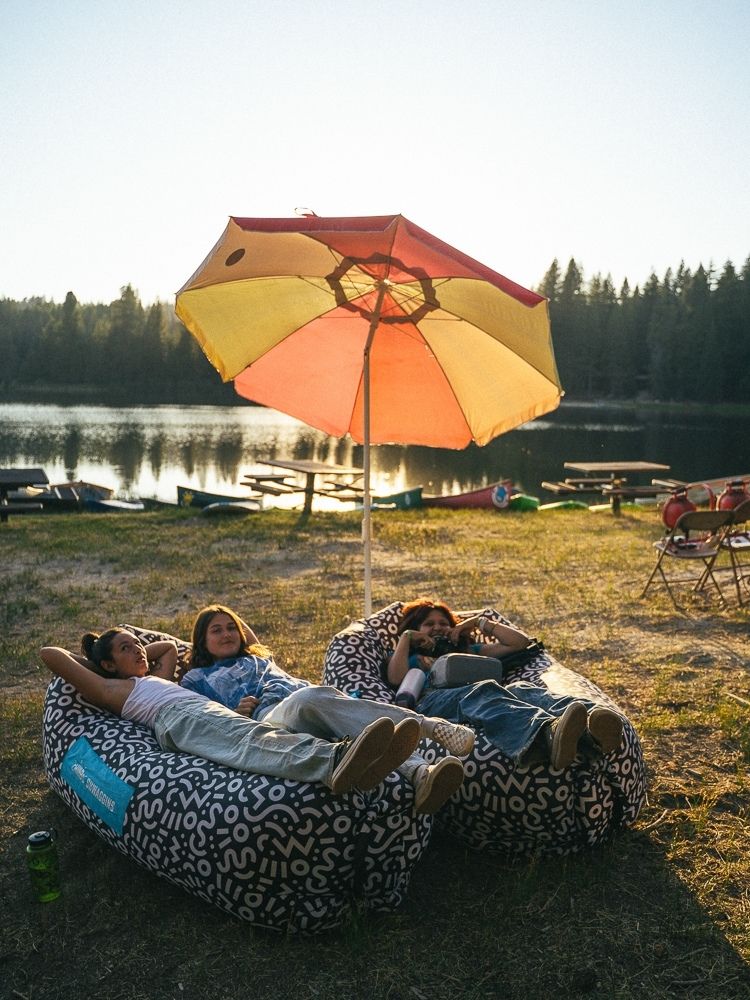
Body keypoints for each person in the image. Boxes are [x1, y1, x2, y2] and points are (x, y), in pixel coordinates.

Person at [40, 628, 415, 796]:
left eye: (138, 644)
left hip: (201, 712)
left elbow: (168, 647)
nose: (139, 650)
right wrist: (97, 660)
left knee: (264, 738)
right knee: (252, 744)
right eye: (127, 648)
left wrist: (130, 649)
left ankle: (365, 758)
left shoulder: (153, 678)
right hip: (179, 719)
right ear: (105, 665)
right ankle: (336, 761)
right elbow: (51, 655)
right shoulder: (112, 688)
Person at [180, 604, 476, 814]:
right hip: (270, 719)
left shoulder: (258, 658)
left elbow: (246, 633)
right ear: (202, 642)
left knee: (364, 728)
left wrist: (230, 619)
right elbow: (204, 716)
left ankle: (422, 775)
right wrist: (235, 710)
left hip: (314, 702)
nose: (228, 633)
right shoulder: (198, 677)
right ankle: (428, 726)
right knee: (309, 699)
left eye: (232, 627)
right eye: (216, 630)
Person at [386, 599, 624, 771]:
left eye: (443, 622)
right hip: (436, 700)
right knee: (483, 691)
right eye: (429, 624)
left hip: (487, 691)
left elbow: (520, 643)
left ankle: (595, 722)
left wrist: (480, 623)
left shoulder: (470, 650)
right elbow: (396, 679)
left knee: (522, 688)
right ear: (418, 630)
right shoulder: (414, 657)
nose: (438, 627)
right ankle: (544, 736)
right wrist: (407, 638)